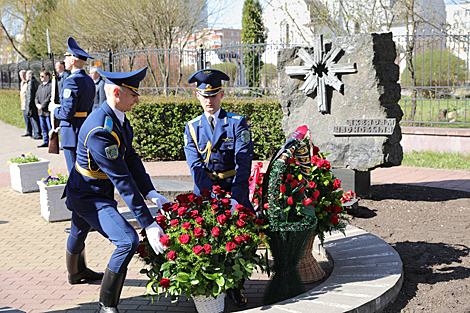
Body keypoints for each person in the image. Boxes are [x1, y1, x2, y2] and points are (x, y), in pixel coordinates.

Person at [64, 66, 169, 313]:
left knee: (79, 231)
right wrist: (148, 223)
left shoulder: (119, 119)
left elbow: (131, 159)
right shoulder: (102, 129)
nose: (137, 99)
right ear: (115, 92)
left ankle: (76, 272)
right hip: (89, 195)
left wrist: (150, 192)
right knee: (127, 240)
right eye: (133, 94)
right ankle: (106, 305)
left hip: (89, 189)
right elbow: (122, 180)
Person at [183, 68, 254, 307]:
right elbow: (195, 166)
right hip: (206, 190)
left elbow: (244, 162)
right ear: (197, 96)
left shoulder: (236, 123)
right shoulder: (192, 127)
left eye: (213, 95)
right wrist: (211, 195)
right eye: (204, 96)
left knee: (241, 238)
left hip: (233, 187)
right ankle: (210, 287)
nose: (209, 101)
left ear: (222, 94)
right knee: (207, 240)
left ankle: (237, 285)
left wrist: (235, 198)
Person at [50, 37, 96, 173]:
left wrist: (54, 109)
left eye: (66, 57)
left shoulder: (71, 81)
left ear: (73, 60)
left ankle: (74, 195)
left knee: (73, 172)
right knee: (85, 170)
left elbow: (67, 112)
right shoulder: (89, 80)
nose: (64, 61)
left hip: (71, 131)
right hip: (84, 127)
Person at [35, 71, 52, 148]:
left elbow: (49, 97)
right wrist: (37, 104)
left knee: (50, 127)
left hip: (47, 110)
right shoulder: (40, 86)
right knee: (43, 127)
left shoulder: (51, 85)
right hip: (40, 111)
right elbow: (36, 96)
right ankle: (45, 141)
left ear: (47, 76)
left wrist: (43, 105)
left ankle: (52, 142)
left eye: (42, 76)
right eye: (40, 76)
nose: (40, 78)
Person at [25, 70, 42, 140]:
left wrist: (28, 105)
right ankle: (36, 133)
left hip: (32, 104)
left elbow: (29, 95)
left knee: (34, 119)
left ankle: (37, 133)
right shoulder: (36, 81)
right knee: (35, 119)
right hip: (35, 103)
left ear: (28, 76)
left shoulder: (30, 83)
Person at [19, 70, 32, 137]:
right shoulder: (22, 83)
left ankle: (34, 132)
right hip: (23, 104)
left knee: (30, 119)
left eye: (24, 75)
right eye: (21, 76)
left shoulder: (28, 82)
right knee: (26, 119)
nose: (23, 77)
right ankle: (28, 131)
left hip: (28, 104)